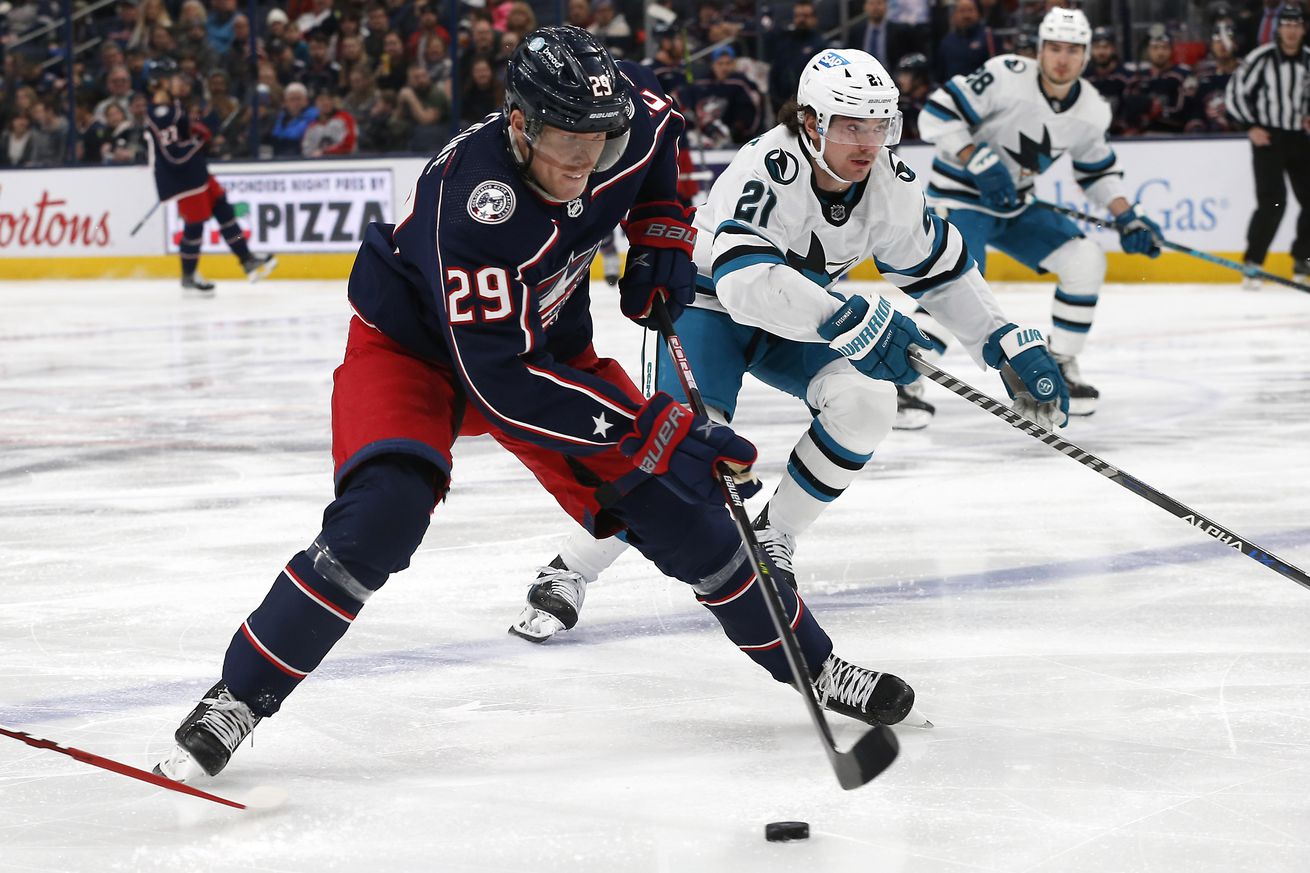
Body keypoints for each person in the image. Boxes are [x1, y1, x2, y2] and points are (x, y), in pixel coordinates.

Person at [151, 27, 921, 785]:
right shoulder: (472, 204)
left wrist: (660, 237)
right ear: (520, 125)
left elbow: (659, 143)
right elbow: (504, 388)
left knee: (692, 514)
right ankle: (240, 695)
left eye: (601, 145)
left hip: (544, 342)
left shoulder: (621, 122)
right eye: (567, 145)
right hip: (417, 355)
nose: (586, 166)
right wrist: (649, 426)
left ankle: (814, 665)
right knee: (381, 517)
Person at [507, 47, 1070, 645]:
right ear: (809, 122)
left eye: (879, 125)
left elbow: (940, 269)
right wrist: (848, 320)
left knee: (868, 404)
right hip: (708, 308)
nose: (866, 142)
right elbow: (745, 284)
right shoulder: (765, 169)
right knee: (682, 453)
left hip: (799, 317)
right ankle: (572, 567)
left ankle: (775, 537)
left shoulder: (889, 183)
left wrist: (1004, 340)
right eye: (850, 125)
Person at [915, 7, 1163, 418]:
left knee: (1085, 259)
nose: (1062, 58)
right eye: (1054, 48)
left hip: (1015, 205)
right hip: (959, 197)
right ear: (1040, 50)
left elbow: (1097, 170)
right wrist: (976, 158)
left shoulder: (1092, 110)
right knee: (957, 282)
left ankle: (1061, 364)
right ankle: (904, 382)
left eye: (1072, 50)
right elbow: (935, 115)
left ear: (1085, 56)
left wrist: (1127, 215)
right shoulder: (1005, 74)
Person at [143, 62, 278, 295]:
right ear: (161, 82)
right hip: (182, 180)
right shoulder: (160, 114)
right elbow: (173, 156)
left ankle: (246, 258)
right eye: (175, 79)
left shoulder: (174, 107)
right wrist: (198, 142)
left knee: (225, 212)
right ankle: (188, 275)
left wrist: (198, 133)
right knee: (194, 226)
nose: (181, 83)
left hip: (197, 172)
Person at [1225, 4, 1310, 288]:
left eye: (1296, 25)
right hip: (1269, 139)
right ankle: (1253, 263)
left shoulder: (1309, 59)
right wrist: (1249, 126)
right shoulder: (1260, 58)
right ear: (1279, 28)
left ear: (1303, 29)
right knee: (1273, 203)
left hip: (1300, 138)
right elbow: (1234, 93)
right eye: (1286, 25)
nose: (1291, 30)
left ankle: (1303, 258)